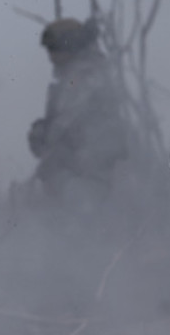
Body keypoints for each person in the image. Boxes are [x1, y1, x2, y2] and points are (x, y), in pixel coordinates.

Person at [27, 17, 130, 209]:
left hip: (92, 173)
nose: (51, 56)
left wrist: (43, 136)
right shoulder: (75, 75)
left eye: (53, 48)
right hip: (84, 170)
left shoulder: (84, 75)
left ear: (68, 45)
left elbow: (64, 124)